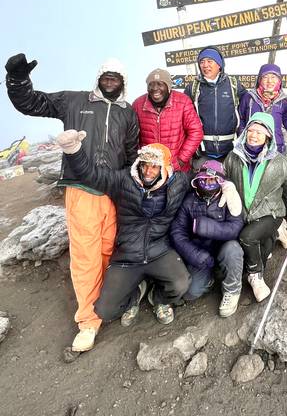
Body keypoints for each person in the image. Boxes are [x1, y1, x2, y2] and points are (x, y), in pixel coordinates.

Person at [5, 53, 139, 352]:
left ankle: (107, 304)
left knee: (109, 251)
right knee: (86, 256)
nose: (110, 82)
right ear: (99, 78)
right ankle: (88, 322)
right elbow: (32, 103)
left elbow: (131, 153)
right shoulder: (75, 101)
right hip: (81, 189)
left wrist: (128, 187)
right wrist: (17, 80)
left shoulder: (127, 113)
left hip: (113, 192)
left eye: (115, 78)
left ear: (122, 83)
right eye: (106, 77)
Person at [56, 132, 191, 330]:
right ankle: (135, 293)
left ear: (165, 168)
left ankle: (159, 299)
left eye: (155, 166)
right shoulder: (123, 180)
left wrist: (226, 184)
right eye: (145, 164)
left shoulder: (177, 183)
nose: (148, 171)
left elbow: (203, 179)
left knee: (181, 285)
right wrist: (73, 151)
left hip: (159, 250)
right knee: (105, 311)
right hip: (127, 255)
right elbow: (91, 175)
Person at [223, 112, 287, 302]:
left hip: (270, 213)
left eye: (260, 132)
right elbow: (224, 179)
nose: (254, 135)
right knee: (260, 253)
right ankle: (271, 240)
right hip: (245, 215)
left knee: (247, 238)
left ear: (268, 136)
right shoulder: (233, 157)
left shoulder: (278, 160)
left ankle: (255, 278)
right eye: (251, 130)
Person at [237, 63, 287, 247]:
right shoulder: (248, 98)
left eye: (273, 78)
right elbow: (241, 122)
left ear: (279, 81)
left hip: (276, 152)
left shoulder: (283, 100)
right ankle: (273, 228)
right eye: (265, 77)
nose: (269, 81)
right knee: (258, 191)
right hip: (251, 152)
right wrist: (241, 144)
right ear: (259, 79)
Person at [170, 160, 244, 317]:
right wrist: (196, 255)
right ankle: (211, 278)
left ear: (220, 181)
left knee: (233, 249)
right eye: (204, 179)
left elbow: (235, 228)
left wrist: (204, 227)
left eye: (213, 180)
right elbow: (177, 233)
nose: (208, 183)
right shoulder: (189, 201)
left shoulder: (229, 197)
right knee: (191, 293)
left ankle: (232, 289)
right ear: (198, 180)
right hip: (201, 252)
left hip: (224, 248)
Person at [184, 47, 246, 167]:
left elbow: (248, 109)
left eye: (209, 61)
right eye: (202, 62)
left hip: (231, 151)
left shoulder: (233, 85)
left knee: (232, 185)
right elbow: (184, 118)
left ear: (219, 64)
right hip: (202, 152)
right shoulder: (192, 88)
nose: (205, 65)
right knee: (204, 185)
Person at [133, 68, 203, 173]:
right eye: (151, 84)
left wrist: (181, 160)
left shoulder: (183, 101)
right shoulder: (138, 104)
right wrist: (141, 160)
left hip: (177, 170)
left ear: (168, 87)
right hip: (149, 171)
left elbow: (196, 132)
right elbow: (132, 137)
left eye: (160, 84)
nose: (155, 88)